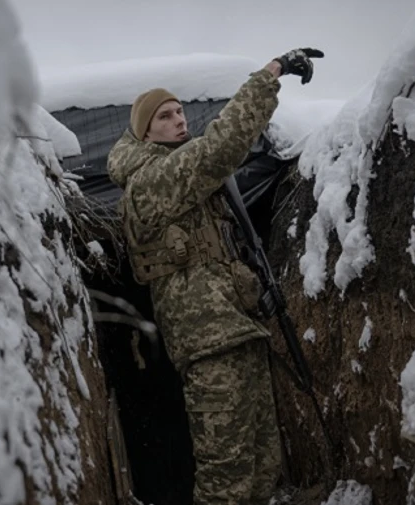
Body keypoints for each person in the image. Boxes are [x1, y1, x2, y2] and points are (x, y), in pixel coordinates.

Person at [107, 48, 323, 505]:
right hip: (205, 340)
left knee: (263, 457)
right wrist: (271, 73)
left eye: (181, 112)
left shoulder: (191, 183)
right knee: (225, 470)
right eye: (165, 117)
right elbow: (221, 147)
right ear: (144, 132)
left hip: (237, 327)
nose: (180, 121)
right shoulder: (151, 182)